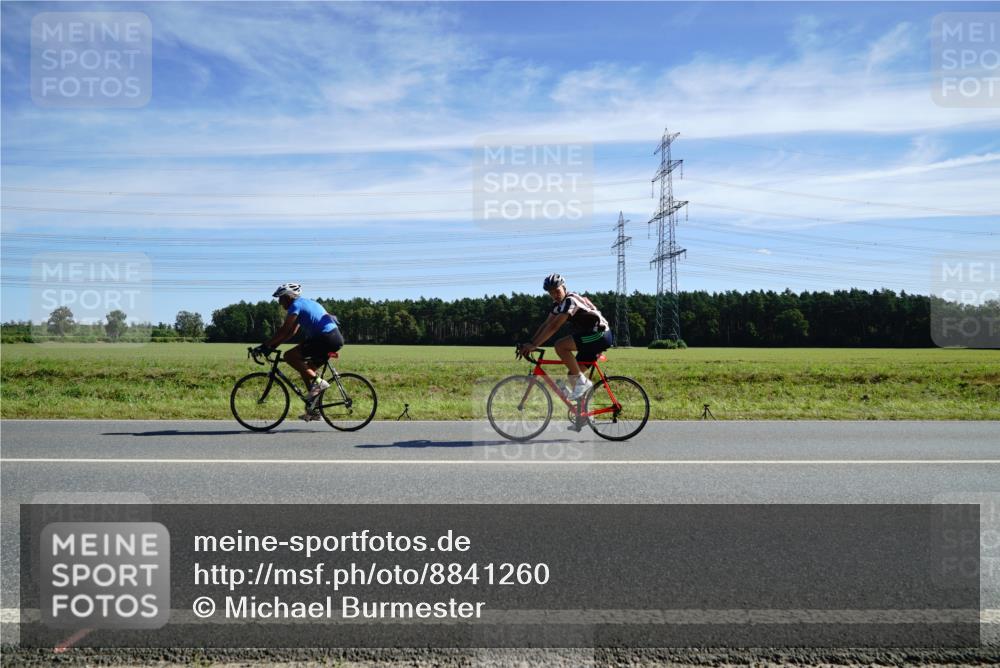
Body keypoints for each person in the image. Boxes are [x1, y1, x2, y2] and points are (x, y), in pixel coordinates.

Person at [253, 283, 343, 421]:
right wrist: (272, 346)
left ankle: (319, 382)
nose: (279, 302)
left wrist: (265, 345)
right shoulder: (305, 303)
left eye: (281, 298)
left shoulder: (296, 305)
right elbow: (291, 332)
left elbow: (284, 329)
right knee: (306, 370)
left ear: (289, 297)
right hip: (334, 338)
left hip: (325, 338)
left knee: (289, 356)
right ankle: (313, 409)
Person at [518, 274, 613, 400]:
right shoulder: (558, 305)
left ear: (564, 287)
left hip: (599, 335)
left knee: (560, 345)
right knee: (572, 375)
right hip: (591, 336)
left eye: (557, 291)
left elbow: (554, 326)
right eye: (551, 293)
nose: (555, 295)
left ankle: (583, 383)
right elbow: (546, 324)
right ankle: (584, 416)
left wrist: (534, 345)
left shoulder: (570, 301)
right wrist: (531, 342)